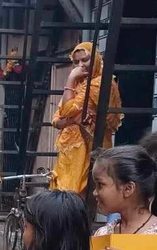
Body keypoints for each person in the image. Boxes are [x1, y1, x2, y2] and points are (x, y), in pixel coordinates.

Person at [50, 42, 123, 195]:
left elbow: (68, 109)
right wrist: (66, 121)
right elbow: (57, 117)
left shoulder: (100, 83)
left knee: (77, 194)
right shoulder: (80, 83)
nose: (80, 66)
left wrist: (69, 79)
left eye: (85, 60)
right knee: (63, 194)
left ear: (95, 59)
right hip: (71, 148)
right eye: (76, 62)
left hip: (88, 145)